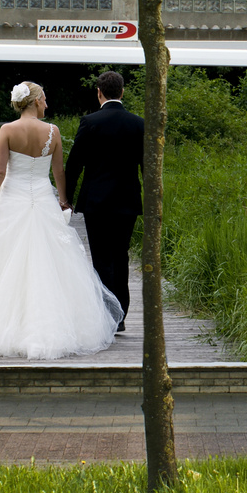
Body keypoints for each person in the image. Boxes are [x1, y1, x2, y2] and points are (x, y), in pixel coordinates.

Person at [0, 81, 122, 358]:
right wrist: (63, 200)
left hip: (11, 200)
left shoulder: (7, 130)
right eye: (44, 99)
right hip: (43, 200)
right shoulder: (52, 132)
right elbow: (59, 172)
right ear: (35, 102)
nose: (47, 104)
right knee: (50, 262)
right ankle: (53, 328)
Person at [63, 70, 144, 333]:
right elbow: (149, 167)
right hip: (127, 202)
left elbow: (74, 163)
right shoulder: (138, 124)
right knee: (121, 256)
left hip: (96, 202)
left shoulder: (90, 122)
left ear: (99, 92)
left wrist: (66, 197)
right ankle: (120, 316)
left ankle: (107, 315)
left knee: (101, 258)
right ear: (122, 92)